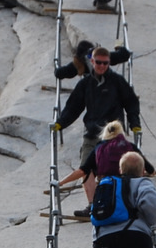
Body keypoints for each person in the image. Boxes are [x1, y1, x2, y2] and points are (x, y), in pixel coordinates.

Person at [52, 46, 142, 215]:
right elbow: (73, 107)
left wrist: (134, 122)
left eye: (105, 63)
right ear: (92, 61)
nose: (101, 66)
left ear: (109, 62)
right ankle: (94, 206)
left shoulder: (117, 81)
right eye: (98, 62)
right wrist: (61, 123)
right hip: (92, 132)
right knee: (86, 168)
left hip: (113, 134)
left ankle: (117, 204)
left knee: (114, 169)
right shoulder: (85, 84)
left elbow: (131, 102)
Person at [58, 120, 155, 208]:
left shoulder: (99, 147)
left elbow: (82, 171)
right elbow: (150, 169)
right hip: (128, 189)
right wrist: (151, 171)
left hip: (107, 189)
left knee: (90, 173)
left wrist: (61, 183)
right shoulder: (131, 146)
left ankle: (91, 207)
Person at [55, 39, 131, 80]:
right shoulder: (101, 57)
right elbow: (124, 54)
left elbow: (60, 73)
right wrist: (119, 46)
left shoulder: (79, 64)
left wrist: (56, 65)